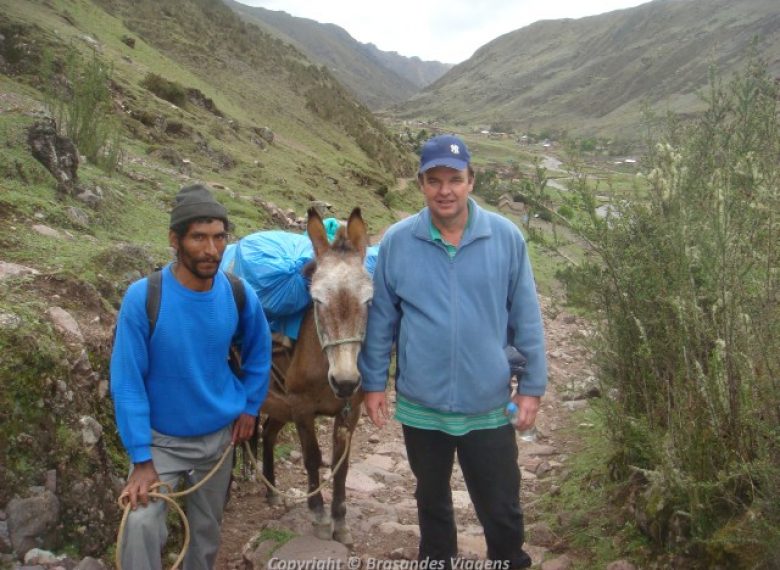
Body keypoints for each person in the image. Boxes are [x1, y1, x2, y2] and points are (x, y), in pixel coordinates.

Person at [359, 134, 547, 569]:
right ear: (421, 183)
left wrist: (531, 387)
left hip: (488, 402)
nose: (445, 190)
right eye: (435, 180)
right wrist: (373, 383)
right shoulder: (398, 241)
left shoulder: (505, 237)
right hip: (423, 403)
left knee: (501, 507)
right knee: (432, 503)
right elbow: (383, 320)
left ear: (471, 182)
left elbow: (527, 317)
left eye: (455, 179)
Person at [110, 183, 272, 570]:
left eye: (219, 238)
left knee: (206, 533)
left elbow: (260, 350)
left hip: (218, 439)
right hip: (161, 442)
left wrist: (250, 406)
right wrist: (141, 459)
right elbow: (128, 381)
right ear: (175, 239)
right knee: (140, 524)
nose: (211, 250)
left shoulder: (237, 292)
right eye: (199, 237)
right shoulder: (143, 297)